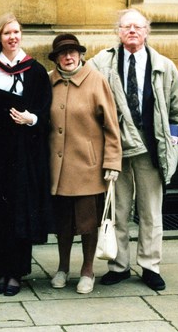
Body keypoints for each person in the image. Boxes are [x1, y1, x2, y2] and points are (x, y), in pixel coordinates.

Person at [89, 9, 178, 291]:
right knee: (118, 210)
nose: (132, 31)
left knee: (150, 211)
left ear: (147, 31)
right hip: (116, 147)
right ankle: (119, 265)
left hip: (152, 146)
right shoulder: (102, 61)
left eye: (138, 27)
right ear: (118, 32)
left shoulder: (164, 66)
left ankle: (150, 266)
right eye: (126, 27)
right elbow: (78, 79)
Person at [0, 13, 53, 297]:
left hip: (24, 153)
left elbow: (45, 113)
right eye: (7, 33)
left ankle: (16, 273)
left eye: (16, 32)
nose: (13, 37)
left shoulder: (36, 71)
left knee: (20, 210)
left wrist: (30, 118)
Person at [47, 33, 122, 294]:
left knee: (89, 224)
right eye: (62, 53)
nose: (68, 57)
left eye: (73, 52)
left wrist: (112, 162)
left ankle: (88, 271)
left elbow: (112, 127)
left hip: (88, 168)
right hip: (58, 169)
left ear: (80, 55)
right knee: (63, 224)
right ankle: (63, 268)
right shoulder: (49, 81)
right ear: (56, 58)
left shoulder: (96, 81)